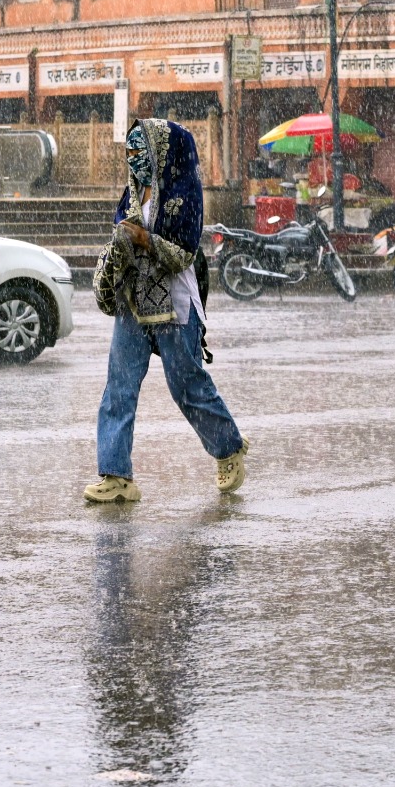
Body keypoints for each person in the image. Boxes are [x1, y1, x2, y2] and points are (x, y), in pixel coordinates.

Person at [85, 118, 248, 504]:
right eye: (130, 150)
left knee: (186, 385)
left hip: (175, 302)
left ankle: (229, 449)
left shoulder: (184, 194)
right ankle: (116, 475)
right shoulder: (131, 193)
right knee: (119, 387)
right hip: (133, 300)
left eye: (141, 149)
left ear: (162, 152)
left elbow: (182, 254)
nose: (134, 157)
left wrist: (144, 239)